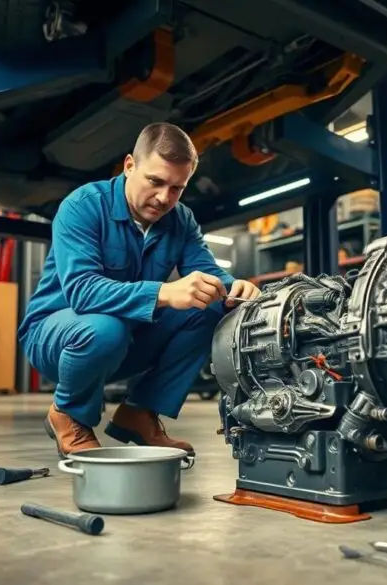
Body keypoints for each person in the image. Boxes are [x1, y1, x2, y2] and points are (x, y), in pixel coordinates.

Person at [18, 122, 261, 458]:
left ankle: (140, 413)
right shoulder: (84, 206)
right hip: (58, 339)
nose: (164, 198)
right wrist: (164, 293)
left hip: (124, 338)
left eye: (177, 188)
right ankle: (69, 414)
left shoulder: (181, 219)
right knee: (104, 328)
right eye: (156, 181)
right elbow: (83, 292)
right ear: (130, 165)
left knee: (212, 309)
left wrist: (235, 287)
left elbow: (206, 272)